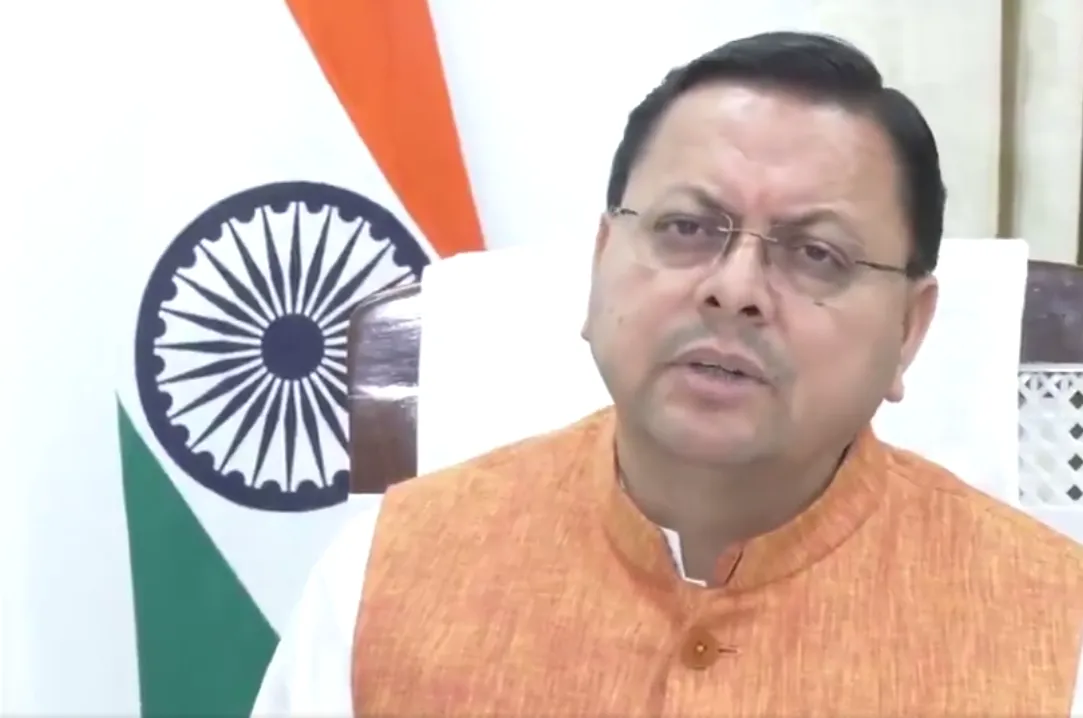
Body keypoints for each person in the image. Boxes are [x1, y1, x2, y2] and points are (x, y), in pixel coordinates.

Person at [253, 31, 1083, 716]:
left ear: (907, 330)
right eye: (687, 228)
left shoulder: (1056, 630)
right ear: (601, 260)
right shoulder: (384, 576)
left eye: (815, 254)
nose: (734, 289)